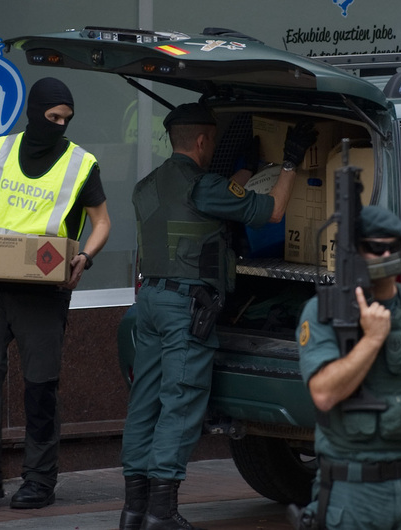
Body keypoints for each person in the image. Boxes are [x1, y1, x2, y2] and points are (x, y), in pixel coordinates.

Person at [120, 102, 318, 530]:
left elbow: (214, 199)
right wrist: (289, 162)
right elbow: (273, 211)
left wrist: (244, 172)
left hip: (151, 299)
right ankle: (162, 513)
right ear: (204, 140)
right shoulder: (203, 185)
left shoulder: (147, 185)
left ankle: (134, 508)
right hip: (184, 310)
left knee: (145, 404)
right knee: (181, 401)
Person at [0, 77, 111, 509]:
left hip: (43, 292)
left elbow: (103, 222)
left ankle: (38, 480)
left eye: (66, 119)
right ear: (34, 112)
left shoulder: (81, 162)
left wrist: (84, 258)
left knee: (40, 389)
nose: (59, 125)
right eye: (52, 117)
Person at [292, 205, 401, 530]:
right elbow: (323, 394)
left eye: (394, 247)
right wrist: (372, 340)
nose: (387, 254)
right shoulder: (324, 312)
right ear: (355, 251)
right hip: (352, 484)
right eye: (376, 248)